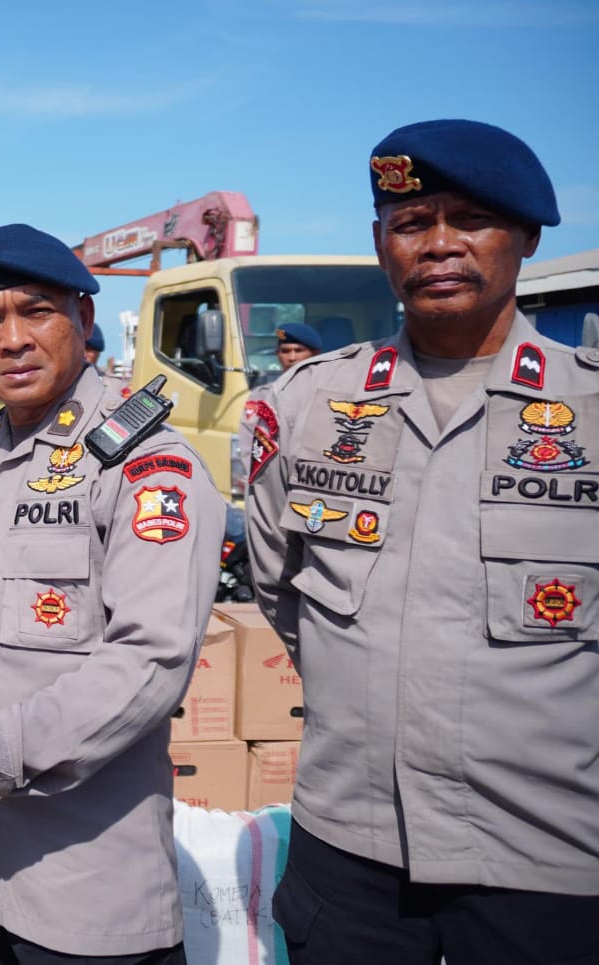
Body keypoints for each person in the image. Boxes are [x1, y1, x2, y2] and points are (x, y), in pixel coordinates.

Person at [247, 119, 599, 964]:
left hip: (546, 856)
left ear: (527, 237)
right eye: (411, 223)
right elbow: (280, 591)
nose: (439, 244)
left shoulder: (589, 411)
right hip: (350, 847)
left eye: (471, 219)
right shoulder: (307, 405)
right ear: (381, 244)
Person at [0, 224, 225, 963]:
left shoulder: (146, 466)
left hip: (83, 892)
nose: (13, 340)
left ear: (83, 319)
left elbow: (148, 665)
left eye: (36, 312)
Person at [241, 322, 323, 444]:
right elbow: (248, 438)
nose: (292, 357)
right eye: (285, 351)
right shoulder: (262, 395)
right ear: (277, 354)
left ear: (315, 354)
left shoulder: (325, 392)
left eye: (298, 350)